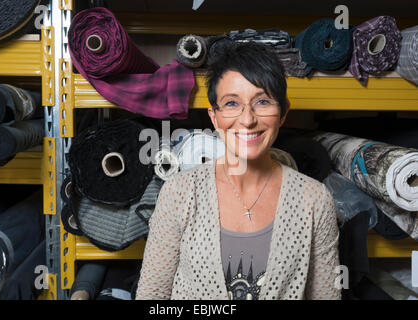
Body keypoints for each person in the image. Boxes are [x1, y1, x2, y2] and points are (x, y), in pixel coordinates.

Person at [136, 41, 341, 300]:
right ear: (214, 116)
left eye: (263, 101)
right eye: (232, 103)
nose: (248, 120)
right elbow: (152, 297)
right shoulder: (179, 192)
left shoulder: (315, 200)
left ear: (283, 112)